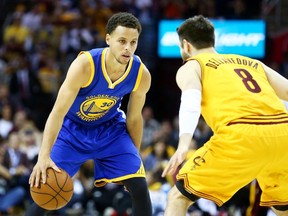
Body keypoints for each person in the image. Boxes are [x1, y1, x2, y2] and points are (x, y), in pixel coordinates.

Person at [27, 12, 152, 216]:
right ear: (108, 39)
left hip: (110, 130)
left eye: (133, 42)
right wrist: (43, 156)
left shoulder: (141, 74)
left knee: (138, 187)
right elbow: (58, 112)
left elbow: (135, 118)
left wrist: (133, 158)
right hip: (72, 130)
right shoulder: (85, 65)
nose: (128, 47)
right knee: (45, 191)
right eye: (122, 41)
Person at [161, 15, 288, 216]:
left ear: (185, 45)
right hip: (284, 133)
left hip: (242, 134)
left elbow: (191, 99)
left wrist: (184, 144)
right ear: (213, 40)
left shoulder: (193, 65)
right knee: (283, 208)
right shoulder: (251, 63)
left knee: (178, 196)